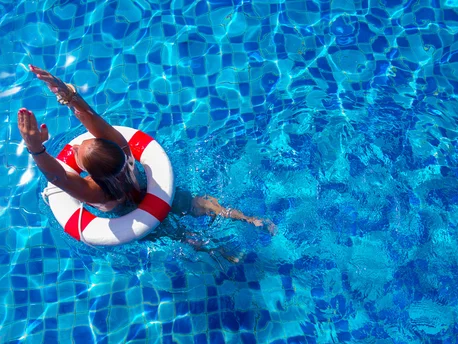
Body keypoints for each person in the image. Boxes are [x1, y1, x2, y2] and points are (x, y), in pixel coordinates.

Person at [17, 64, 276, 262]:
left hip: (133, 220)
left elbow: (57, 178)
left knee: (185, 238)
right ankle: (251, 219)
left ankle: (223, 254)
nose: (73, 147)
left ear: (92, 172)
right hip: (155, 194)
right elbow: (91, 117)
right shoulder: (122, 151)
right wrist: (66, 93)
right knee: (201, 203)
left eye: (78, 154)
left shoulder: (94, 190)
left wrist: (35, 147)